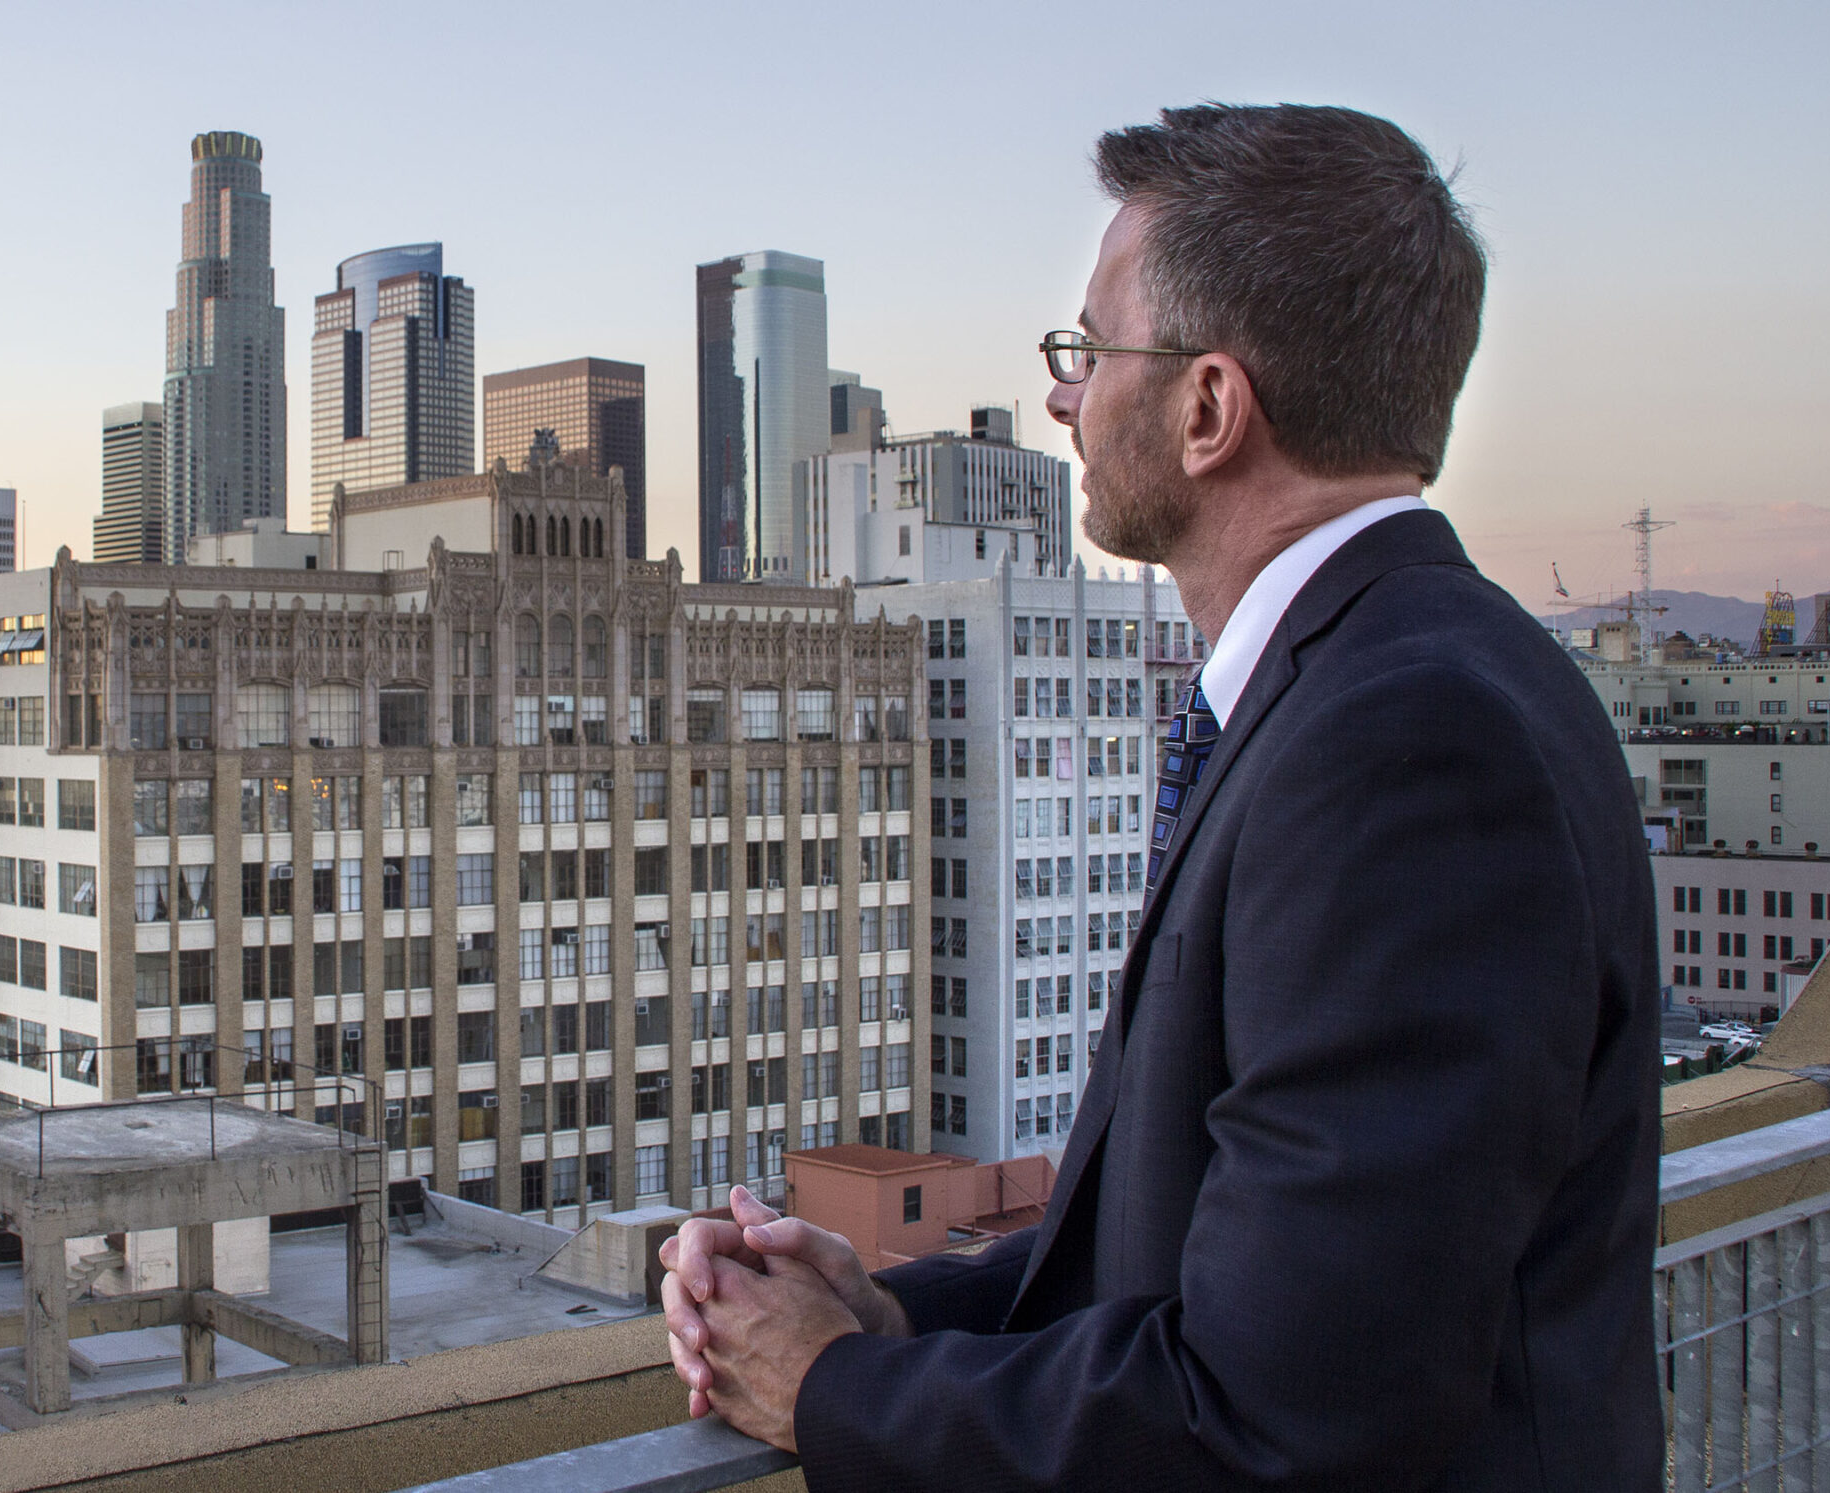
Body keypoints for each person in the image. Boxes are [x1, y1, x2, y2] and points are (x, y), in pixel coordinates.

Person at [661, 103, 1662, 1491]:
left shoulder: (1405, 748)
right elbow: (1213, 1254)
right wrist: (890, 1309)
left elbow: (1278, 1415)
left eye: (1087, 351)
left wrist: (830, 1385)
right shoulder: (1407, 678)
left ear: (1207, 408)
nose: (1065, 397)